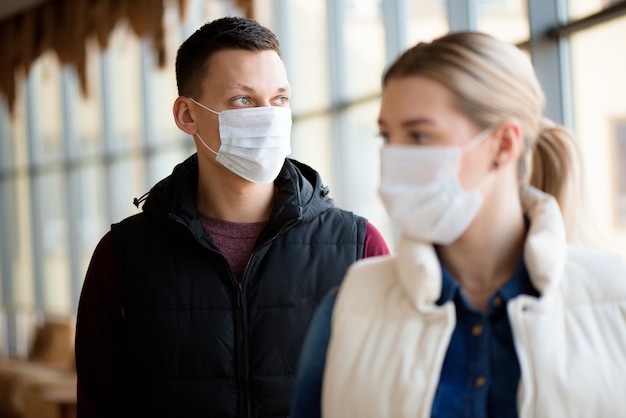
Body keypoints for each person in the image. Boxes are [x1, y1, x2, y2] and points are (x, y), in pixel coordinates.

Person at [291, 31, 626, 418]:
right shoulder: (351, 303)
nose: (394, 158)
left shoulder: (615, 298)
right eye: (387, 135)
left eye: (418, 135)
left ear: (502, 145)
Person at [74, 16, 389, 418]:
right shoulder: (122, 257)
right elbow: (99, 404)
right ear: (188, 115)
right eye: (243, 100)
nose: (270, 117)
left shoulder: (359, 247)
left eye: (280, 100)